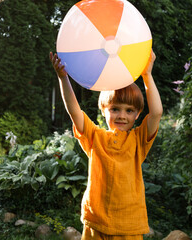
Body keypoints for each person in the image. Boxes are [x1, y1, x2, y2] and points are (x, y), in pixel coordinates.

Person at [50, 50, 162, 240]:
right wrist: (63, 78)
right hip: (96, 222)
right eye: (115, 109)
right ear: (104, 110)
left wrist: (147, 75)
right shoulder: (95, 137)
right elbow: (74, 111)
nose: (122, 115)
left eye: (129, 110)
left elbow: (157, 113)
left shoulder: (139, 139)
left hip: (129, 225)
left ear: (137, 114)